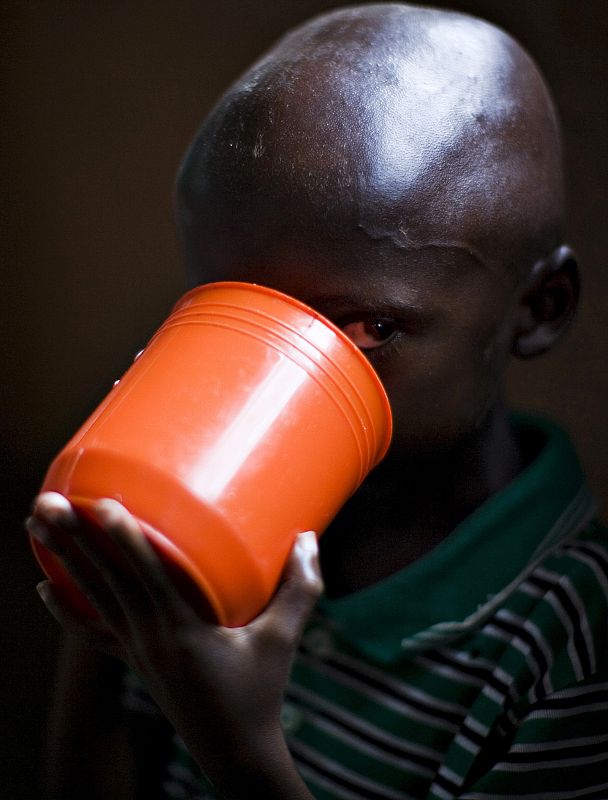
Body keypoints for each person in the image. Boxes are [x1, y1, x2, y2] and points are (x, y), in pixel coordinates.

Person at [26, 4, 608, 799]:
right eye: (235, 307)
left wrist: (237, 746)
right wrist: (105, 598)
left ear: (539, 308)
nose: (279, 373)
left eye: (369, 326)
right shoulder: (205, 517)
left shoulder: (573, 645)